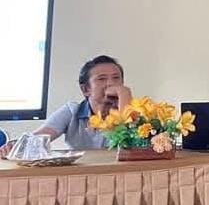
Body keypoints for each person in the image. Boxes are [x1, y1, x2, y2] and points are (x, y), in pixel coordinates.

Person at [0, 55, 132, 156]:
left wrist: (125, 96)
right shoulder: (72, 111)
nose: (111, 84)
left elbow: (131, 144)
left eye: (116, 78)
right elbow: (39, 138)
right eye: (102, 79)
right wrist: (14, 145)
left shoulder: (138, 111)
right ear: (85, 89)